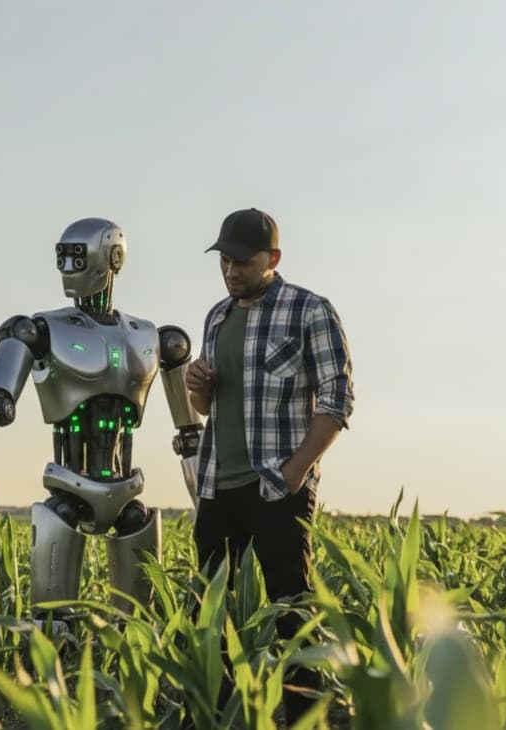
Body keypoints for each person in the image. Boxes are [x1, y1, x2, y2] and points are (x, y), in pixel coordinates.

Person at [183, 207, 354, 724]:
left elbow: (337, 398)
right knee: (211, 613)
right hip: (217, 485)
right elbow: (210, 409)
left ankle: (306, 717)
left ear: (272, 259)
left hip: (278, 487)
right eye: (224, 260)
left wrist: (296, 471)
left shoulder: (309, 310)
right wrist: (199, 389)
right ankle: (221, 713)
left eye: (241, 261)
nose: (230, 270)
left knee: (291, 609)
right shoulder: (217, 317)